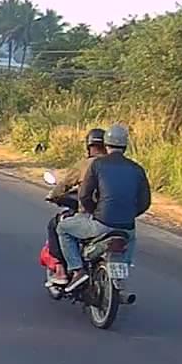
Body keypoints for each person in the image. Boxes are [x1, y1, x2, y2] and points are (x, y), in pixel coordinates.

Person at [57, 124, 152, 291]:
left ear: (106, 144)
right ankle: (121, 274)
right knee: (130, 239)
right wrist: (128, 214)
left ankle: (77, 270)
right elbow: (145, 202)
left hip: (102, 223)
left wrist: (95, 212)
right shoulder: (137, 169)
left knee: (63, 228)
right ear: (125, 145)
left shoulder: (97, 165)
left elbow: (84, 195)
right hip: (127, 227)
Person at [44, 128, 108, 285]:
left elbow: (65, 185)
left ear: (89, 146)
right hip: (118, 219)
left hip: (92, 217)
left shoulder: (85, 165)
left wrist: (52, 195)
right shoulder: (117, 166)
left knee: (59, 226)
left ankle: (69, 270)